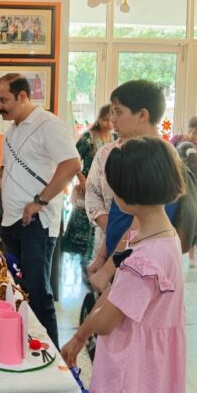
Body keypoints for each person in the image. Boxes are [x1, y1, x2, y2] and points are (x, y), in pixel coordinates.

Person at [61, 137, 187, 393]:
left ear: (128, 192)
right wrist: (79, 337)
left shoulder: (143, 262)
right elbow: (117, 292)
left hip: (132, 371)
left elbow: (106, 322)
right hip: (156, 364)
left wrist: (85, 328)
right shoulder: (166, 237)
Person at [0, 73, 80, 349]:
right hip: (11, 222)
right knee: (16, 289)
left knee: (38, 293)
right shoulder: (12, 131)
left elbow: (72, 164)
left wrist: (40, 201)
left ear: (23, 96)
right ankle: (22, 344)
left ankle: (52, 358)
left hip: (36, 222)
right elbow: (6, 170)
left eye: (3, 100)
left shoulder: (48, 124)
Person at [85, 80, 197, 292]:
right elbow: (105, 204)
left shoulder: (157, 158)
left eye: (118, 112)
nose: (113, 119)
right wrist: (103, 256)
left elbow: (138, 225)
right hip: (117, 255)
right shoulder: (122, 151)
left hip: (136, 262)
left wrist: (107, 269)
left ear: (142, 115)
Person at [62, 104, 116, 275]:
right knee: (84, 232)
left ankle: (98, 266)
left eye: (111, 120)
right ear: (98, 119)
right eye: (105, 120)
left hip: (109, 191)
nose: (109, 124)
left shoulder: (115, 138)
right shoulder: (87, 138)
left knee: (103, 233)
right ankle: (85, 269)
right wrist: (82, 179)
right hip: (87, 190)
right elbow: (73, 160)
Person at [170, 115, 197, 264]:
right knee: (177, 213)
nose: (191, 135)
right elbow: (166, 156)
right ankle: (174, 244)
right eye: (189, 131)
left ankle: (196, 245)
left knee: (196, 215)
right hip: (178, 182)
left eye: (196, 132)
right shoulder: (177, 139)